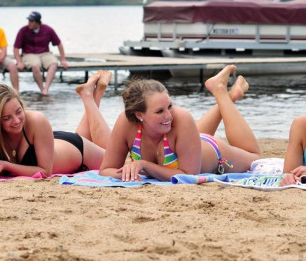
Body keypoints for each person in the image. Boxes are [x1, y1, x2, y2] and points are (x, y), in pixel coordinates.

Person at [99, 65, 262, 182]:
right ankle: (229, 95)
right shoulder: (126, 122)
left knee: (256, 158)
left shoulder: (181, 117)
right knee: (182, 130)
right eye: (159, 111)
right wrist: (128, 174)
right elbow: (106, 170)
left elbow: (188, 175)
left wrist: (144, 165)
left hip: (214, 151)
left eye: (170, 106)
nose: (169, 115)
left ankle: (221, 93)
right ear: (139, 114)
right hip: (186, 142)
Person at [0, 70, 113, 179]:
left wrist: (6, 166)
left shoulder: (36, 120)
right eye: (6, 118)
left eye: (18, 111)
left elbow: (45, 172)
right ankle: (94, 92)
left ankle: (90, 96)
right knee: (89, 139)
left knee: (113, 160)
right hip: (53, 145)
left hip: (79, 151)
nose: (16, 120)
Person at [13, 11, 67, 96]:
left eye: (31, 21)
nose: (29, 23)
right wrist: (19, 62)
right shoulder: (23, 30)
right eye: (28, 21)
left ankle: (46, 89)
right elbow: (16, 48)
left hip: (45, 53)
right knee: (35, 65)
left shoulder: (48, 29)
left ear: (37, 22)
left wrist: (63, 60)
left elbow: (59, 44)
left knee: (54, 63)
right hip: (29, 54)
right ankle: (42, 89)